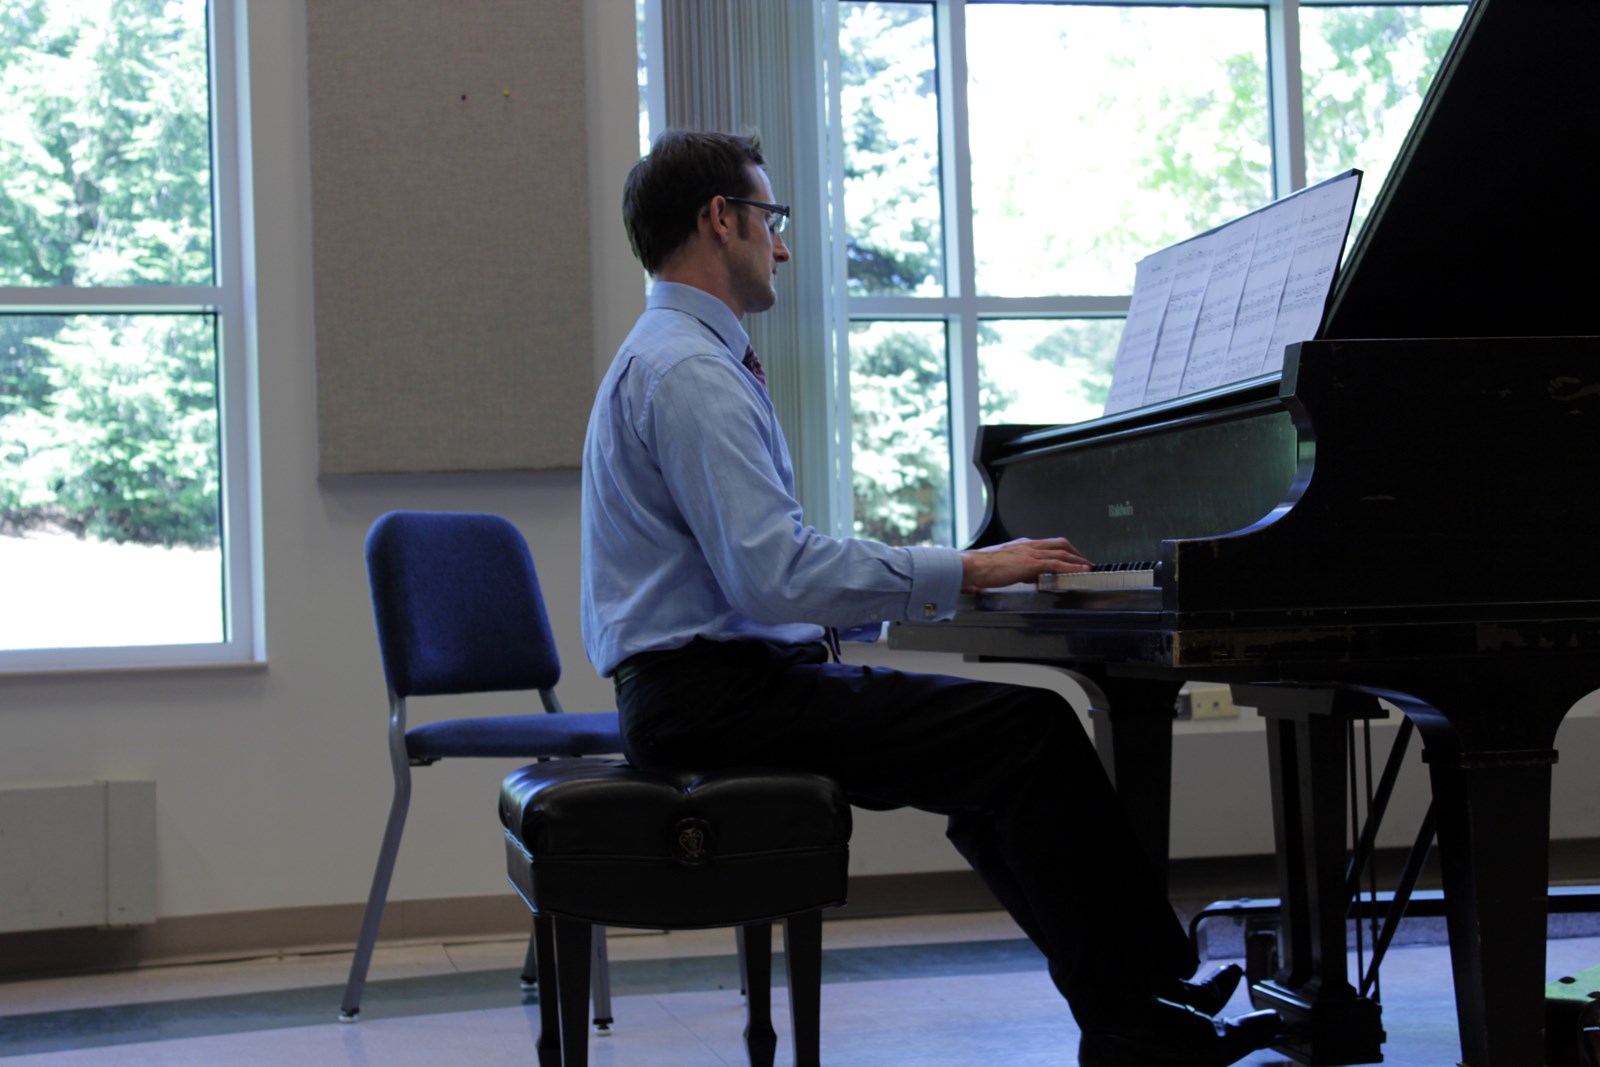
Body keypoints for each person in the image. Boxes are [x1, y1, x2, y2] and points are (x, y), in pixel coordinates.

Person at [580, 129, 1277, 1067]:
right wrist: (967, 571)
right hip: (713, 700)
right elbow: (772, 575)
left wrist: (938, 586)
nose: (781, 246)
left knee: (995, 759)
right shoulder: (690, 370)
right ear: (720, 219)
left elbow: (755, 577)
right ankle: (1144, 1002)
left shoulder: (671, 355)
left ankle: (1136, 1004)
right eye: (770, 219)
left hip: (703, 692)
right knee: (1029, 733)